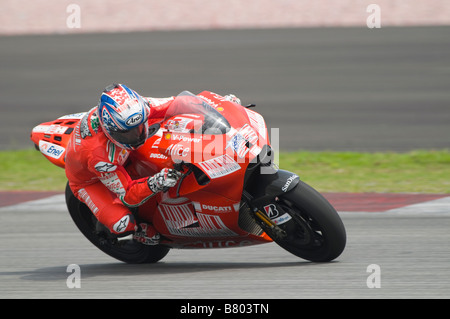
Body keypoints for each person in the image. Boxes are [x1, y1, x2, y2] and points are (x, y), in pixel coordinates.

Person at [65, 83, 181, 245]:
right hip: (90, 181)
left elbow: (177, 103)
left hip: (118, 155)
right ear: (110, 130)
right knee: (122, 224)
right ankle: (138, 230)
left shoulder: (138, 109)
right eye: (127, 134)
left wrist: (220, 103)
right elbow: (128, 195)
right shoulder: (99, 157)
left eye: (139, 128)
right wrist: (157, 182)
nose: (136, 137)